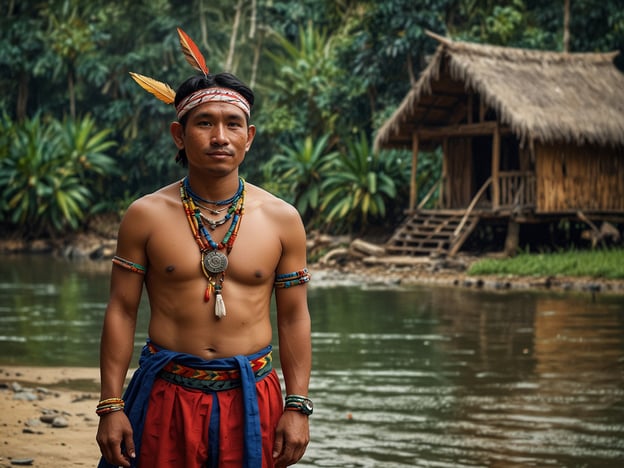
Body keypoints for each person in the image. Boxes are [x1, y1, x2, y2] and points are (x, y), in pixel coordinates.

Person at [96, 28, 312, 468]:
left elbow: (293, 315)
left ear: (249, 137)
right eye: (204, 123)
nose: (220, 136)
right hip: (164, 393)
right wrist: (110, 405)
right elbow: (121, 308)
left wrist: (298, 405)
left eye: (232, 124)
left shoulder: (282, 219)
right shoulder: (146, 215)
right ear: (180, 134)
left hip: (252, 394)